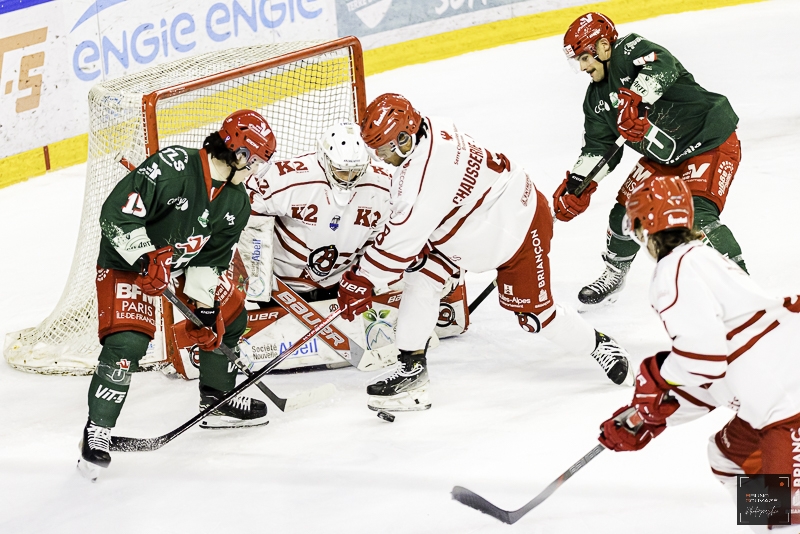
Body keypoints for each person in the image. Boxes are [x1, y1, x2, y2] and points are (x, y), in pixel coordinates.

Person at [336, 93, 634, 413]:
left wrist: (361, 280)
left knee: (536, 317)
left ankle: (600, 345)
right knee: (421, 277)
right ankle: (412, 369)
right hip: (471, 224)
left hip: (518, 228)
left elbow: (398, 242)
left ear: (405, 139)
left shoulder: (420, 179)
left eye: (382, 149)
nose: (379, 158)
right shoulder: (434, 127)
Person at [77, 110, 277, 481]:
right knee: (128, 344)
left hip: (177, 265)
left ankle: (217, 398)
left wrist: (203, 310)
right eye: (256, 162)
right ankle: (98, 429)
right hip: (127, 261)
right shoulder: (172, 167)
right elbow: (115, 216)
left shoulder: (236, 203)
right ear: (240, 155)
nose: (256, 172)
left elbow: (213, 259)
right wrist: (142, 256)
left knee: (228, 317)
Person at [598, 175, 800, 531]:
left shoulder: (673, 270)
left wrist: (655, 374)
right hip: (779, 395)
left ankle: (779, 520)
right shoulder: (703, 259)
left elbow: (703, 360)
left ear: (645, 225)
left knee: (788, 520)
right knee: (726, 457)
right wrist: (655, 416)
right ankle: (770, 518)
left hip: (789, 409)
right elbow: (722, 368)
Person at [556, 12, 747, 309]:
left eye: (584, 57)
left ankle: (743, 290)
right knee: (623, 216)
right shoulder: (595, 99)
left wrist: (637, 97)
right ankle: (614, 274)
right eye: (578, 61)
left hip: (708, 142)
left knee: (698, 219)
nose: (582, 67)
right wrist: (577, 185)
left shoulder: (629, 50)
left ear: (604, 46)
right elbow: (598, 148)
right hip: (662, 159)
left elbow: (663, 63)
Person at [244, 121, 392, 300]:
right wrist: (257, 270)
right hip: (280, 286)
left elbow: (384, 237)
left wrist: (364, 279)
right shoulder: (293, 178)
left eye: (356, 171)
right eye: (342, 170)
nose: (349, 178)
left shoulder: (382, 186)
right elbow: (249, 196)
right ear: (324, 157)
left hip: (339, 283)